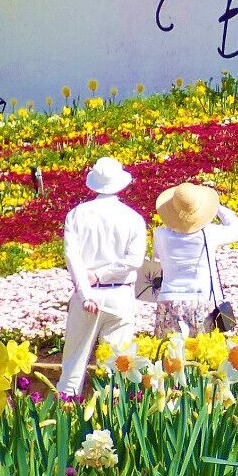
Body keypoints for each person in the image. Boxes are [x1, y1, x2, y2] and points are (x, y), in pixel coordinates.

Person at [59, 157, 146, 400]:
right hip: (120, 295)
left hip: (86, 294)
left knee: (74, 363)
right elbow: (134, 261)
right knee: (115, 364)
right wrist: (102, 275)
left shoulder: (76, 215)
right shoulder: (133, 218)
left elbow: (72, 257)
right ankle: (111, 418)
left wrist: (86, 290)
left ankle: (64, 416)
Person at [149, 181, 238, 338]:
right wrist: (217, 207)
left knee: (170, 355)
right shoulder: (209, 233)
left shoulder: (160, 234)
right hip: (201, 298)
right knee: (202, 354)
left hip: (169, 299)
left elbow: (157, 257)